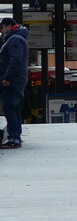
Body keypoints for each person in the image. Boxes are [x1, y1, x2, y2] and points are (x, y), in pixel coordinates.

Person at [0, 17, 30, 149]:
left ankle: (14, 138)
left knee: (9, 108)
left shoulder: (15, 39)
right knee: (14, 107)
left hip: (12, 81)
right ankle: (16, 135)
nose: (1, 31)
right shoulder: (16, 38)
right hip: (16, 79)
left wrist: (7, 78)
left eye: (1, 28)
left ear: (8, 26)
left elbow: (15, 61)